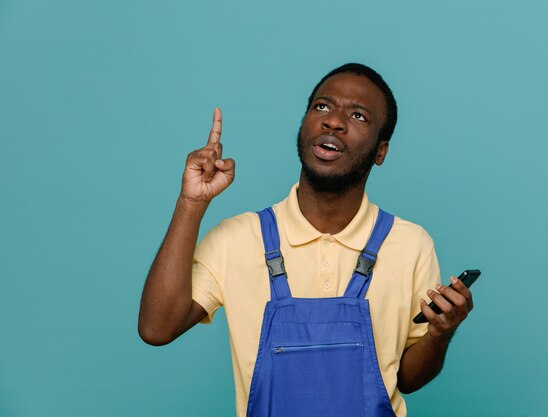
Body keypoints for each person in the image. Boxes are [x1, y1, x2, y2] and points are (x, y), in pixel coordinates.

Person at [138, 63, 474, 417]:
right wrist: (191, 203)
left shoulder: (410, 244)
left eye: (358, 115)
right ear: (303, 125)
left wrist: (440, 333)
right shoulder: (237, 238)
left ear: (381, 151)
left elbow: (406, 377)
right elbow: (157, 328)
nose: (334, 121)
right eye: (322, 107)